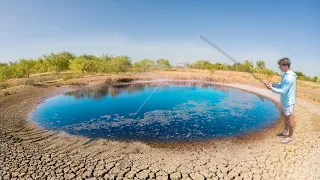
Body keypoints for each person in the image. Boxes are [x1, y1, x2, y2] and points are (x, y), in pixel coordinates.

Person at [266, 58, 297, 144]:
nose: (279, 67)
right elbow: (281, 85)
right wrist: (273, 84)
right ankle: (286, 131)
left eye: (281, 66)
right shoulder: (285, 74)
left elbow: (284, 90)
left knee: (289, 118)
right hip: (284, 100)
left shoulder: (290, 77)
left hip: (288, 101)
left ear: (286, 66)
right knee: (285, 116)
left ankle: (290, 136)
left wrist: (271, 88)